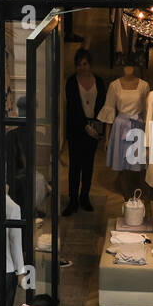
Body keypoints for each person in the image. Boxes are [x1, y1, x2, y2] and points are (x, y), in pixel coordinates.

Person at [64, 49, 105, 215]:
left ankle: (84, 197)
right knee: (75, 166)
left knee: (88, 165)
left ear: (90, 64)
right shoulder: (71, 82)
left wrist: (98, 129)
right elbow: (72, 108)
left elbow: (103, 106)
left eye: (84, 64)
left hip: (93, 128)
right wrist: (84, 126)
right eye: (79, 64)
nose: (82, 67)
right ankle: (72, 200)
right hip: (76, 128)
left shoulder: (99, 82)